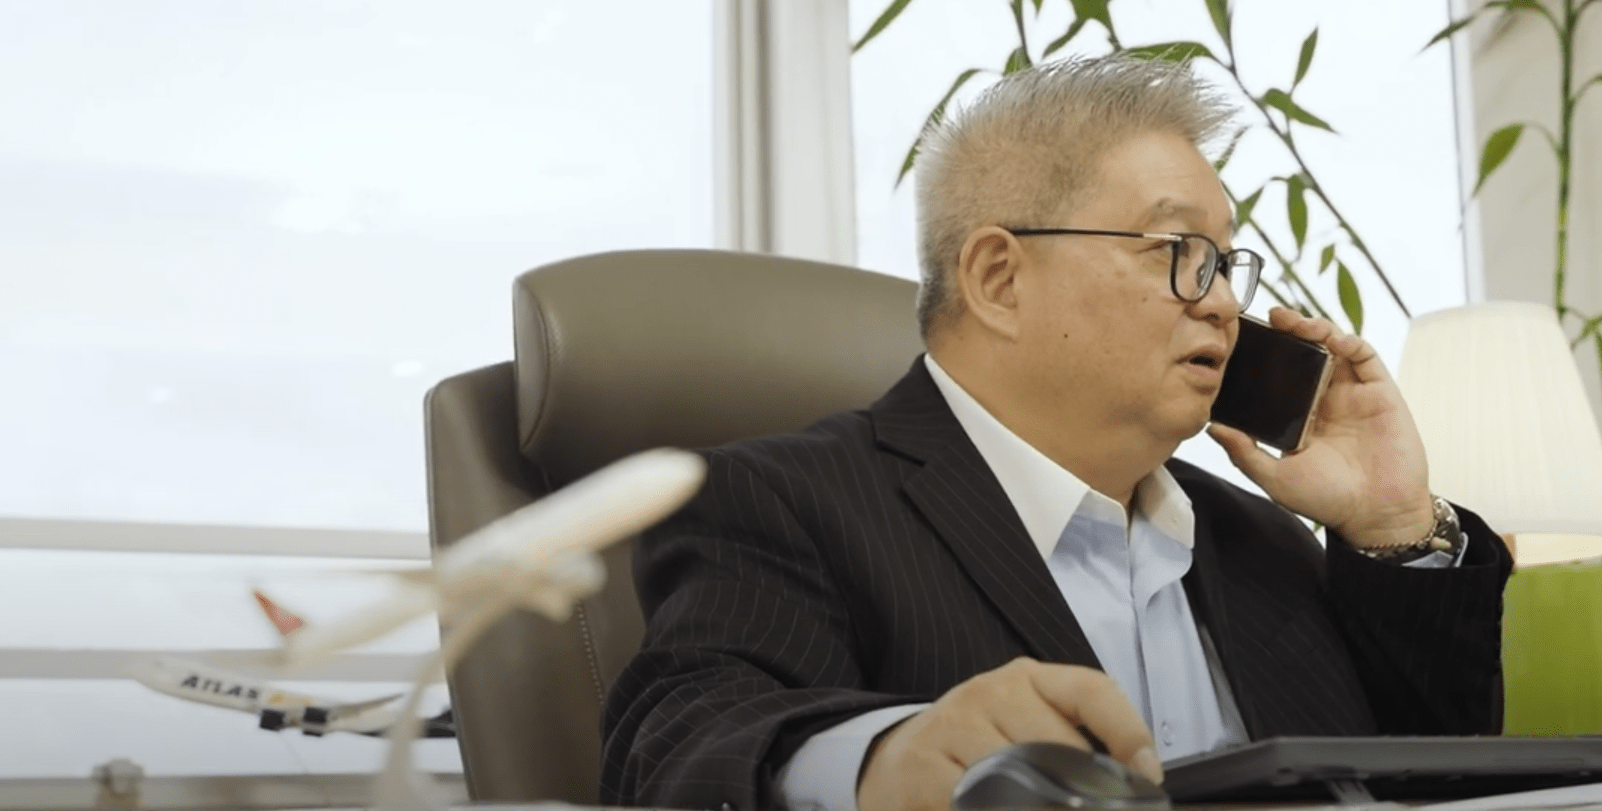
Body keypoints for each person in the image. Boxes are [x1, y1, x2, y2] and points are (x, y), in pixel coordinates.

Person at [599, 55, 1512, 811]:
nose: (1224, 304)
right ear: (999, 279)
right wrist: (886, 758)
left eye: (1226, 263)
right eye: (1179, 253)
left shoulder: (1260, 535)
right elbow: (677, 746)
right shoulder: (781, 503)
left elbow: (1441, 779)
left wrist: (1393, 524)